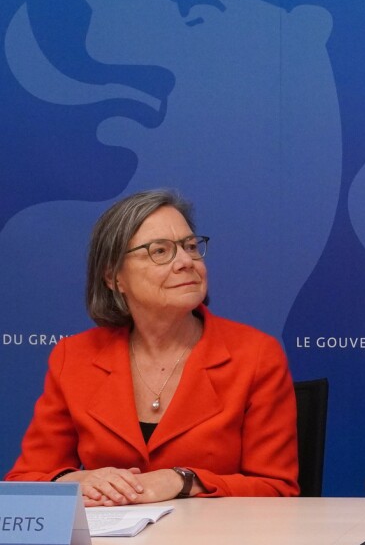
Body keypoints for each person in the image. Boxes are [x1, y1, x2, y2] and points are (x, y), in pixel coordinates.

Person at [5, 190, 299, 504]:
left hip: (214, 535)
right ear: (114, 277)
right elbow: (25, 481)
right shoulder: (74, 357)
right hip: (110, 535)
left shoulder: (255, 355)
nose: (186, 262)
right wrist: (80, 480)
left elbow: (276, 489)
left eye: (190, 246)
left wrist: (182, 480)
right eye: (160, 251)